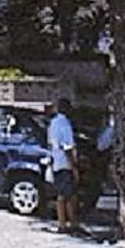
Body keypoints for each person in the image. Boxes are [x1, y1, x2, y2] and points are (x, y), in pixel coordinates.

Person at [47, 96, 79, 234]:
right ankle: (66, 223)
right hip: (65, 163)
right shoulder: (65, 124)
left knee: (65, 194)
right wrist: (73, 167)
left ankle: (67, 222)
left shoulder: (53, 123)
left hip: (56, 161)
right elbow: (67, 147)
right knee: (66, 195)